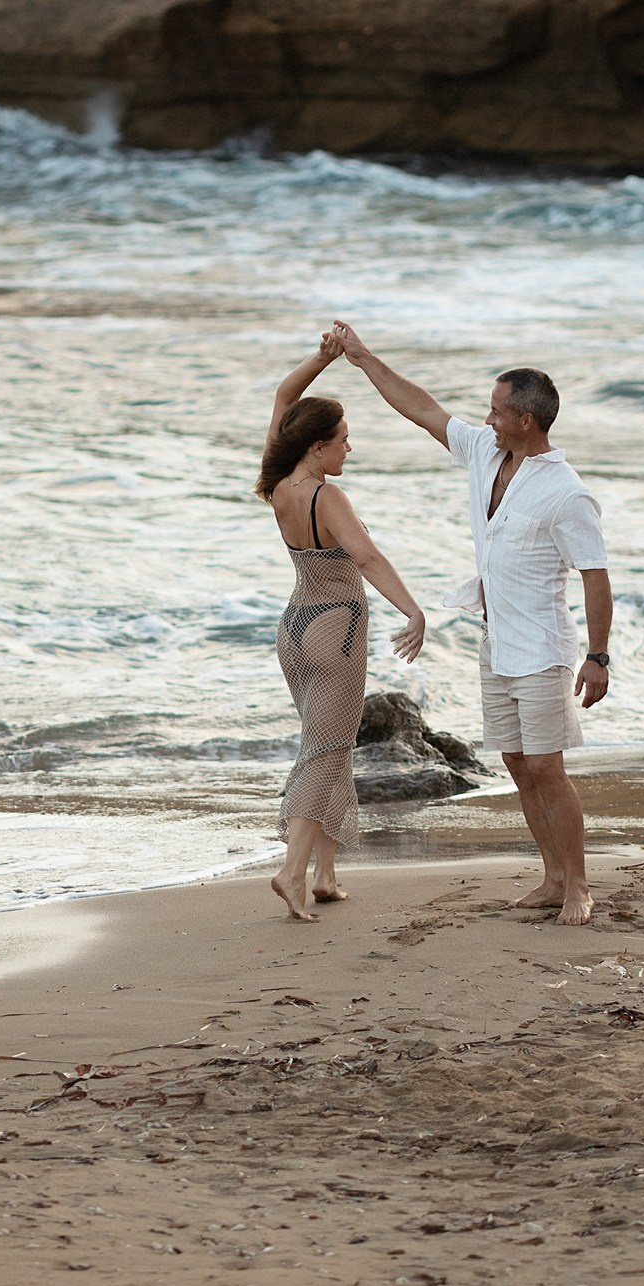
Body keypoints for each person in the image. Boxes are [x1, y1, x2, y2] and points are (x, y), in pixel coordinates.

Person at [332, 323, 610, 925]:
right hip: (495, 641)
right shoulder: (487, 452)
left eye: (495, 410)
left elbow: (595, 576)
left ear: (526, 421)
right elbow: (424, 410)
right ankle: (552, 876)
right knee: (514, 761)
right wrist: (362, 359)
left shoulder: (566, 493)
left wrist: (599, 655)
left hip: (541, 646)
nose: (486, 418)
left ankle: (580, 885)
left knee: (546, 765)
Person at [259, 333, 428, 922]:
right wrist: (414, 610)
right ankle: (291, 871)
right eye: (342, 440)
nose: (348, 448)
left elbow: (284, 394)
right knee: (325, 750)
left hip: (295, 628)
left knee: (330, 746)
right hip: (338, 630)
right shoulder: (327, 496)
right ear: (315, 446)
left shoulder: (279, 484)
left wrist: (324, 360)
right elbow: (368, 558)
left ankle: (327, 874)